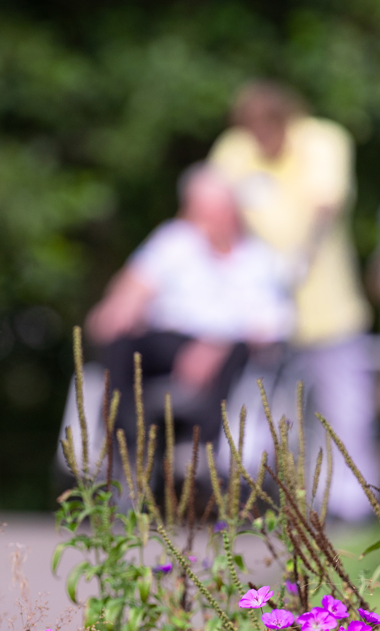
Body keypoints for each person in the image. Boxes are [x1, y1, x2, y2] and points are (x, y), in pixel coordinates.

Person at [208, 80, 379, 521]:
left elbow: (326, 206)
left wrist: (299, 259)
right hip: (259, 317)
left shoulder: (322, 140)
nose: (258, 138)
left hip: (326, 310)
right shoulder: (234, 149)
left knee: (345, 410)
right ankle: (252, 500)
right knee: (256, 412)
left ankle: (350, 507)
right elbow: (213, 207)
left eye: (268, 127)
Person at [86, 164, 292, 447]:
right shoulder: (174, 242)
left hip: (231, 348)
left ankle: (206, 456)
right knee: (120, 343)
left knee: (235, 357)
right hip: (170, 341)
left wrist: (215, 345)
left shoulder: (259, 259)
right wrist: (121, 307)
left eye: (213, 211)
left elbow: (274, 324)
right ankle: (127, 443)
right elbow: (131, 288)